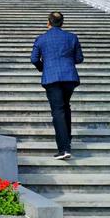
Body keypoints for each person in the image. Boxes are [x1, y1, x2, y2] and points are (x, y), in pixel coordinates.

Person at [31, 12, 84, 160]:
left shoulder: (41, 39)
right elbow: (79, 58)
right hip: (69, 78)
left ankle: (64, 148)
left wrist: (43, 67)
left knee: (58, 110)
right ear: (62, 23)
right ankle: (67, 141)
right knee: (65, 107)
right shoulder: (72, 37)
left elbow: (34, 58)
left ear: (48, 22)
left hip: (52, 78)